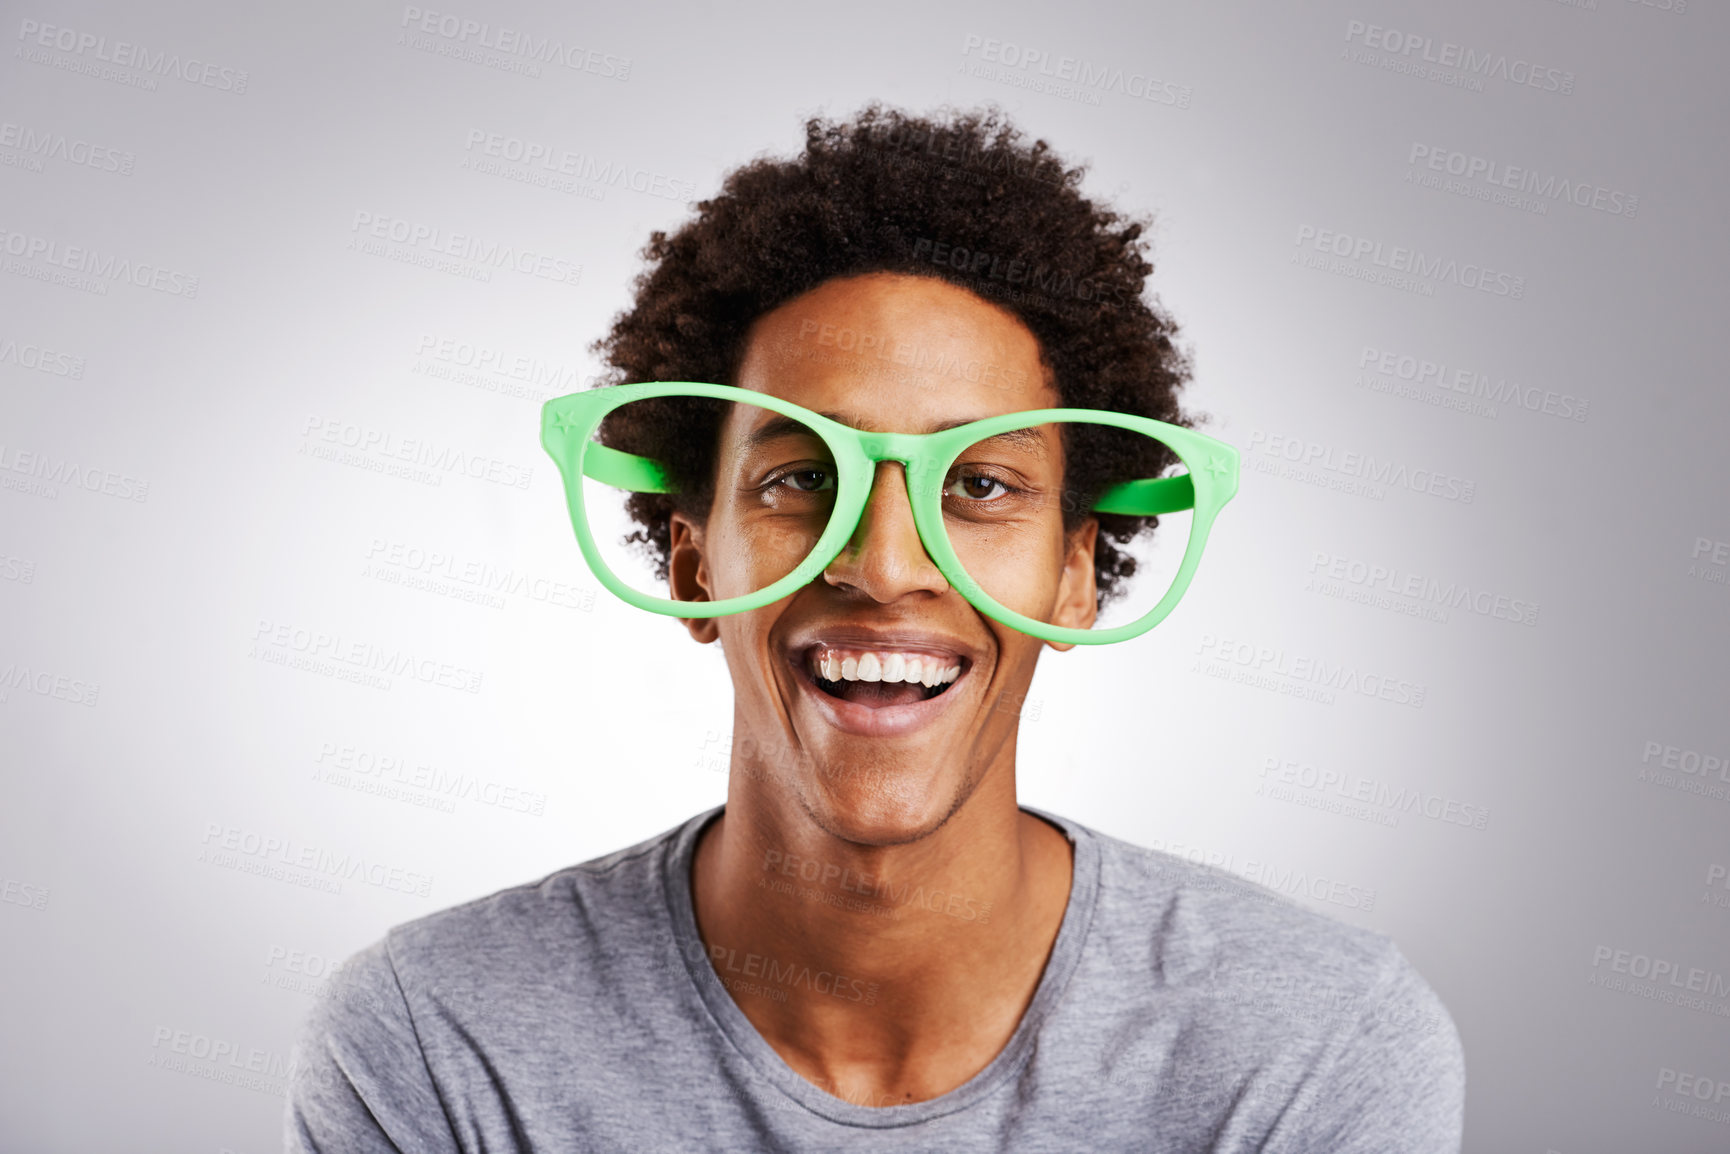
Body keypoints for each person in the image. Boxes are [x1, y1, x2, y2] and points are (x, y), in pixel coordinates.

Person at [285, 103, 1465, 1153]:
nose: (886, 565)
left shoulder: (1308, 1044)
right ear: (695, 557)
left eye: (981, 485)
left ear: (1074, 572)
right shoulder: (436, 1037)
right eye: (799, 478)